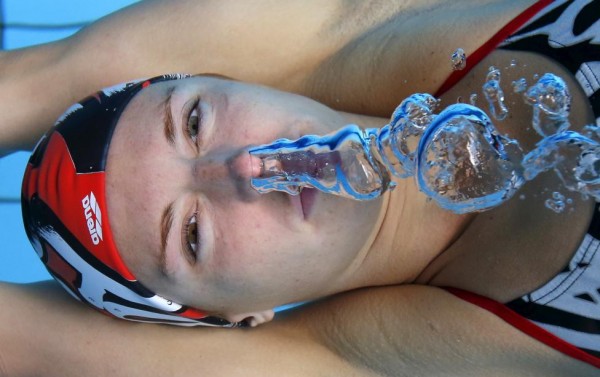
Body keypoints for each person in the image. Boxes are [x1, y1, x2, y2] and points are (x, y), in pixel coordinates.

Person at [1, 0, 599, 375]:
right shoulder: (403, 358)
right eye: (191, 235)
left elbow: (35, 82)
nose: (240, 168)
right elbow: (33, 344)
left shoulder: (370, 20)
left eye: (194, 123)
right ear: (239, 317)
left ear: (230, 74)